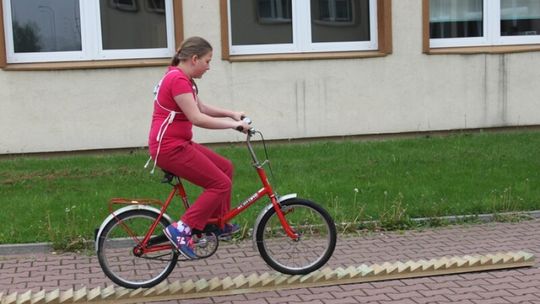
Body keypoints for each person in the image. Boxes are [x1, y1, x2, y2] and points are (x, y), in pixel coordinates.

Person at [146, 36, 251, 259]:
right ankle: (182, 229)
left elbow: (201, 107)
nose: (209, 67)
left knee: (226, 168)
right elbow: (198, 118)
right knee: (220, 184)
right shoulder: (177, 79)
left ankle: (215, 225)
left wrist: (231, 113)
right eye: (207, 61)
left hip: (179, 144)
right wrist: (234, 126)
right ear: (194, 59)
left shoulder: (183, 78)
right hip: (169, 148)